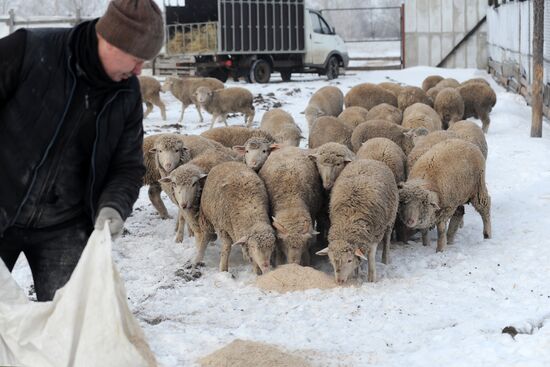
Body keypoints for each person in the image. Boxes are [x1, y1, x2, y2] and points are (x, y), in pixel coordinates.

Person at [0, 0, 164, 301]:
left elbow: (127, 166)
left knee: (74, 325)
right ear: (114, 40)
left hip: (65, 227)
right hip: (3, 206)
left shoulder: (127, 96)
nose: (140, 69)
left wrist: (114, 206)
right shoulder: (29, 50)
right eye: (138, 58)